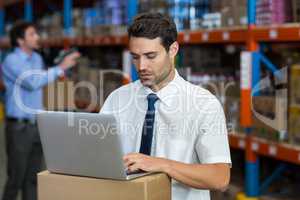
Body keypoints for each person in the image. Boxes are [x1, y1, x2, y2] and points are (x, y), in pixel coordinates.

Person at [100, 12, 231, 200]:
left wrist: (162, 164)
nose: (141, 66)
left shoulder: (204, 104)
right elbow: (100, 157)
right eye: (135, 57)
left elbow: (220, 178)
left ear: (173, 50)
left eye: (150, 56)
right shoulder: (118, 99)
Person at [1, 21, 80, 200]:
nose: (37, 37)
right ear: (20, 40)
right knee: (16, 178)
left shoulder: (36, 58)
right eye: (32, 34)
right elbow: (32, 82)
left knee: (33, 178)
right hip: (19, 128)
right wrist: (60, 67)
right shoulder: (11, 60)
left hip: (37, 125)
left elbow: (42, 83)